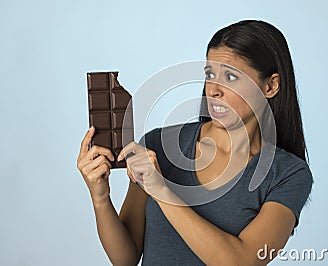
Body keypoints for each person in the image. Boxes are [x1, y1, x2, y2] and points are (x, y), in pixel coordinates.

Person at [77, 20, 313, 265]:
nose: (213, 90)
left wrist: (162, 191)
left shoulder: (288, 175)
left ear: (271, 86)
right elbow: (125, 259)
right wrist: (100, 198)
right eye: (210, 75)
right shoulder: (157, 145)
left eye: (231, 77)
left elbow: (242, 261)